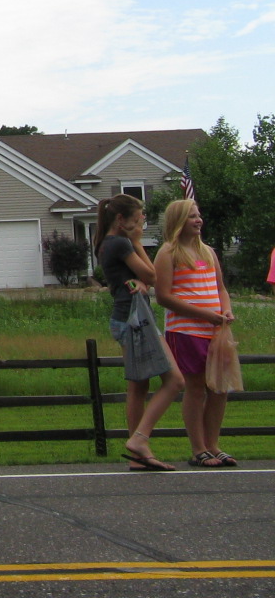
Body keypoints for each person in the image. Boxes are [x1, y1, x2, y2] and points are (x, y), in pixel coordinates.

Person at [93, 194, 182, 471]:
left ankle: (139, 456)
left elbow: (140, 278)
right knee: (175, 381)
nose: (141, 222)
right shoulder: (120, 242)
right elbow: (152, 275)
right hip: (136, 320)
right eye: (136, 219)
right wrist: (136, 241)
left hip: (125, 318)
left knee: (138, 386)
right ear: (121, 220)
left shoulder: (104, 244)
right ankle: (140, 440)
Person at [154, 198, 236, 466]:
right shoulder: (168, 252)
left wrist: (225, 310)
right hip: (186, 331)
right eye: (191, 216)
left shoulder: (208, 252)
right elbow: (164, 297)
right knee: (197, 387)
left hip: (216, 331)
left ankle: (214, 445)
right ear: (178, 221)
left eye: (198, 215)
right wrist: (205, 315)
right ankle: (198, 448)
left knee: (219, 388)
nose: (198, 220)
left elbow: (220, 288)